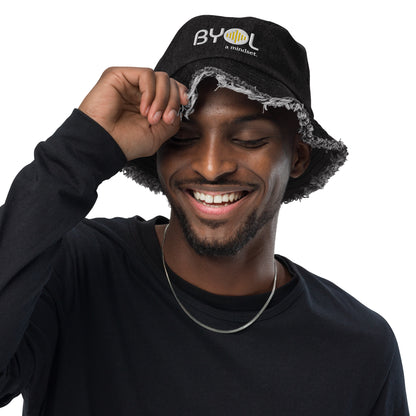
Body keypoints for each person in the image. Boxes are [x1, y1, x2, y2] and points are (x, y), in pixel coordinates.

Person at [0, 14, 409, 415]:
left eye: (249, 139)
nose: (211, 167)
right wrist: (81, 147)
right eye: (183, 138)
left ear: (298, 156)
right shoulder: (71, 270)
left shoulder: (360, 349)